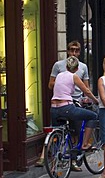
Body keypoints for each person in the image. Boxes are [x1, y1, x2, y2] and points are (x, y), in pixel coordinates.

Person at [36, 41, 94, 169]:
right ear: (67, 51)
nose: (74, 53)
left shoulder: (83, 67)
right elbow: (50, 84)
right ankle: (44, 157)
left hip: (76, 101)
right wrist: (64, 81)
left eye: (76, 50)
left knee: (75, 132)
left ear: (79, 52)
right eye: (71, 50)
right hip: (64, 102)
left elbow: (86, 87)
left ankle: (72, 161)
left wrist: (85, 98)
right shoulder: (58, 65)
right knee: (57, 130)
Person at [50, 56, 99, 170]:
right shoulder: (74, 76)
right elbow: (86, 90)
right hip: (67, 107)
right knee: (92, 116)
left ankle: (53, 164)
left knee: (59, 133)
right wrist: (95, 101)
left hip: (53, 108)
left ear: (66, 67)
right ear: (77, 69)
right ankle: (85, 143)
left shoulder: (59, 76)